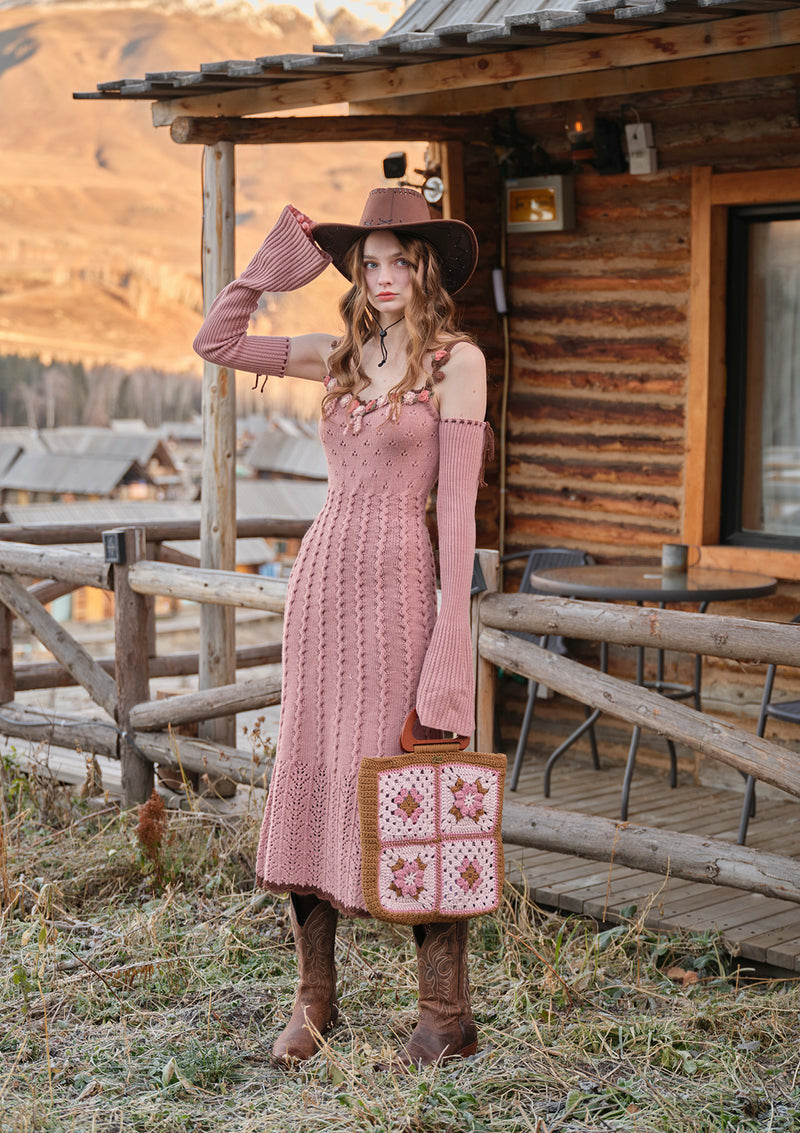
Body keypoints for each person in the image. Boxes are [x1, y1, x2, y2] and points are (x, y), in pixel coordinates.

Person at [193, 187, 489, 1068]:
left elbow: (459, 521)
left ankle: (446, 1012)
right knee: (314, 775)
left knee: (409, 781)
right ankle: (314, 999)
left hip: (401, 590)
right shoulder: (337, 355)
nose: (384, 276)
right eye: (369, 262)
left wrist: (451, 641)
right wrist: (262, 272)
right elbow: (217, 342)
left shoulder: (457, 363)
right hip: (321, 590)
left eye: (401, 261)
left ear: (427, 269)